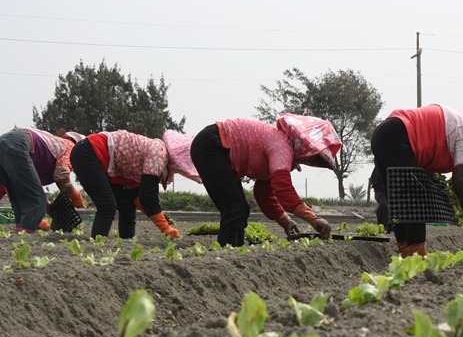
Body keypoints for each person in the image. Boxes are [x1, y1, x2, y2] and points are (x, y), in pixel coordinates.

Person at [371, 104, 463, 257]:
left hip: (385, 133)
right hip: (399, 134)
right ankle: (417, 258)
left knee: (400, 202)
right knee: (415, 200)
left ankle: (406, 253)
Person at [190, 113, 342, 247]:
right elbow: (283, 190)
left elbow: (263, 193)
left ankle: (235, 249)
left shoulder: (281, 153)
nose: (312, 160)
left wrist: (285, 220)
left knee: (241, 208)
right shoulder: (281, 147)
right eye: (314, 155)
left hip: (218, 150)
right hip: (212, 146)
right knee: (234, 207)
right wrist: (313, 219)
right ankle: (226, 251)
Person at [70, 130, 199, 239]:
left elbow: (137, 196)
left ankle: (127, 241)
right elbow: (148, 197)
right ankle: (96, 245)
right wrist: (165, 227)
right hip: (89, 152)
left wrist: (160, 216)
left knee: (127, 205)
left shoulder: (147, 160)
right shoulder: (158, 154)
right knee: (107, 205)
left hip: (97, 158)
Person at [0, 128, 85, 233]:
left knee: (18, 200)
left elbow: (26, 187)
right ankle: (26, 236)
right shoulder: (71, 147)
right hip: (19, 142)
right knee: (35, 202)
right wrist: (75, 197)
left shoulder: (51, 148)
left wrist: (46, 208)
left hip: (5, 141)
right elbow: (61, 176)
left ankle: (21, 234)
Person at [370, 166, 391, 232]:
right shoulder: (378, 169)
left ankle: (387, 226)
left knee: (385, 207)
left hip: (388, 193)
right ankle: (384, 225)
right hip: (380, 192)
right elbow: (374, 182)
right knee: (385, 205)